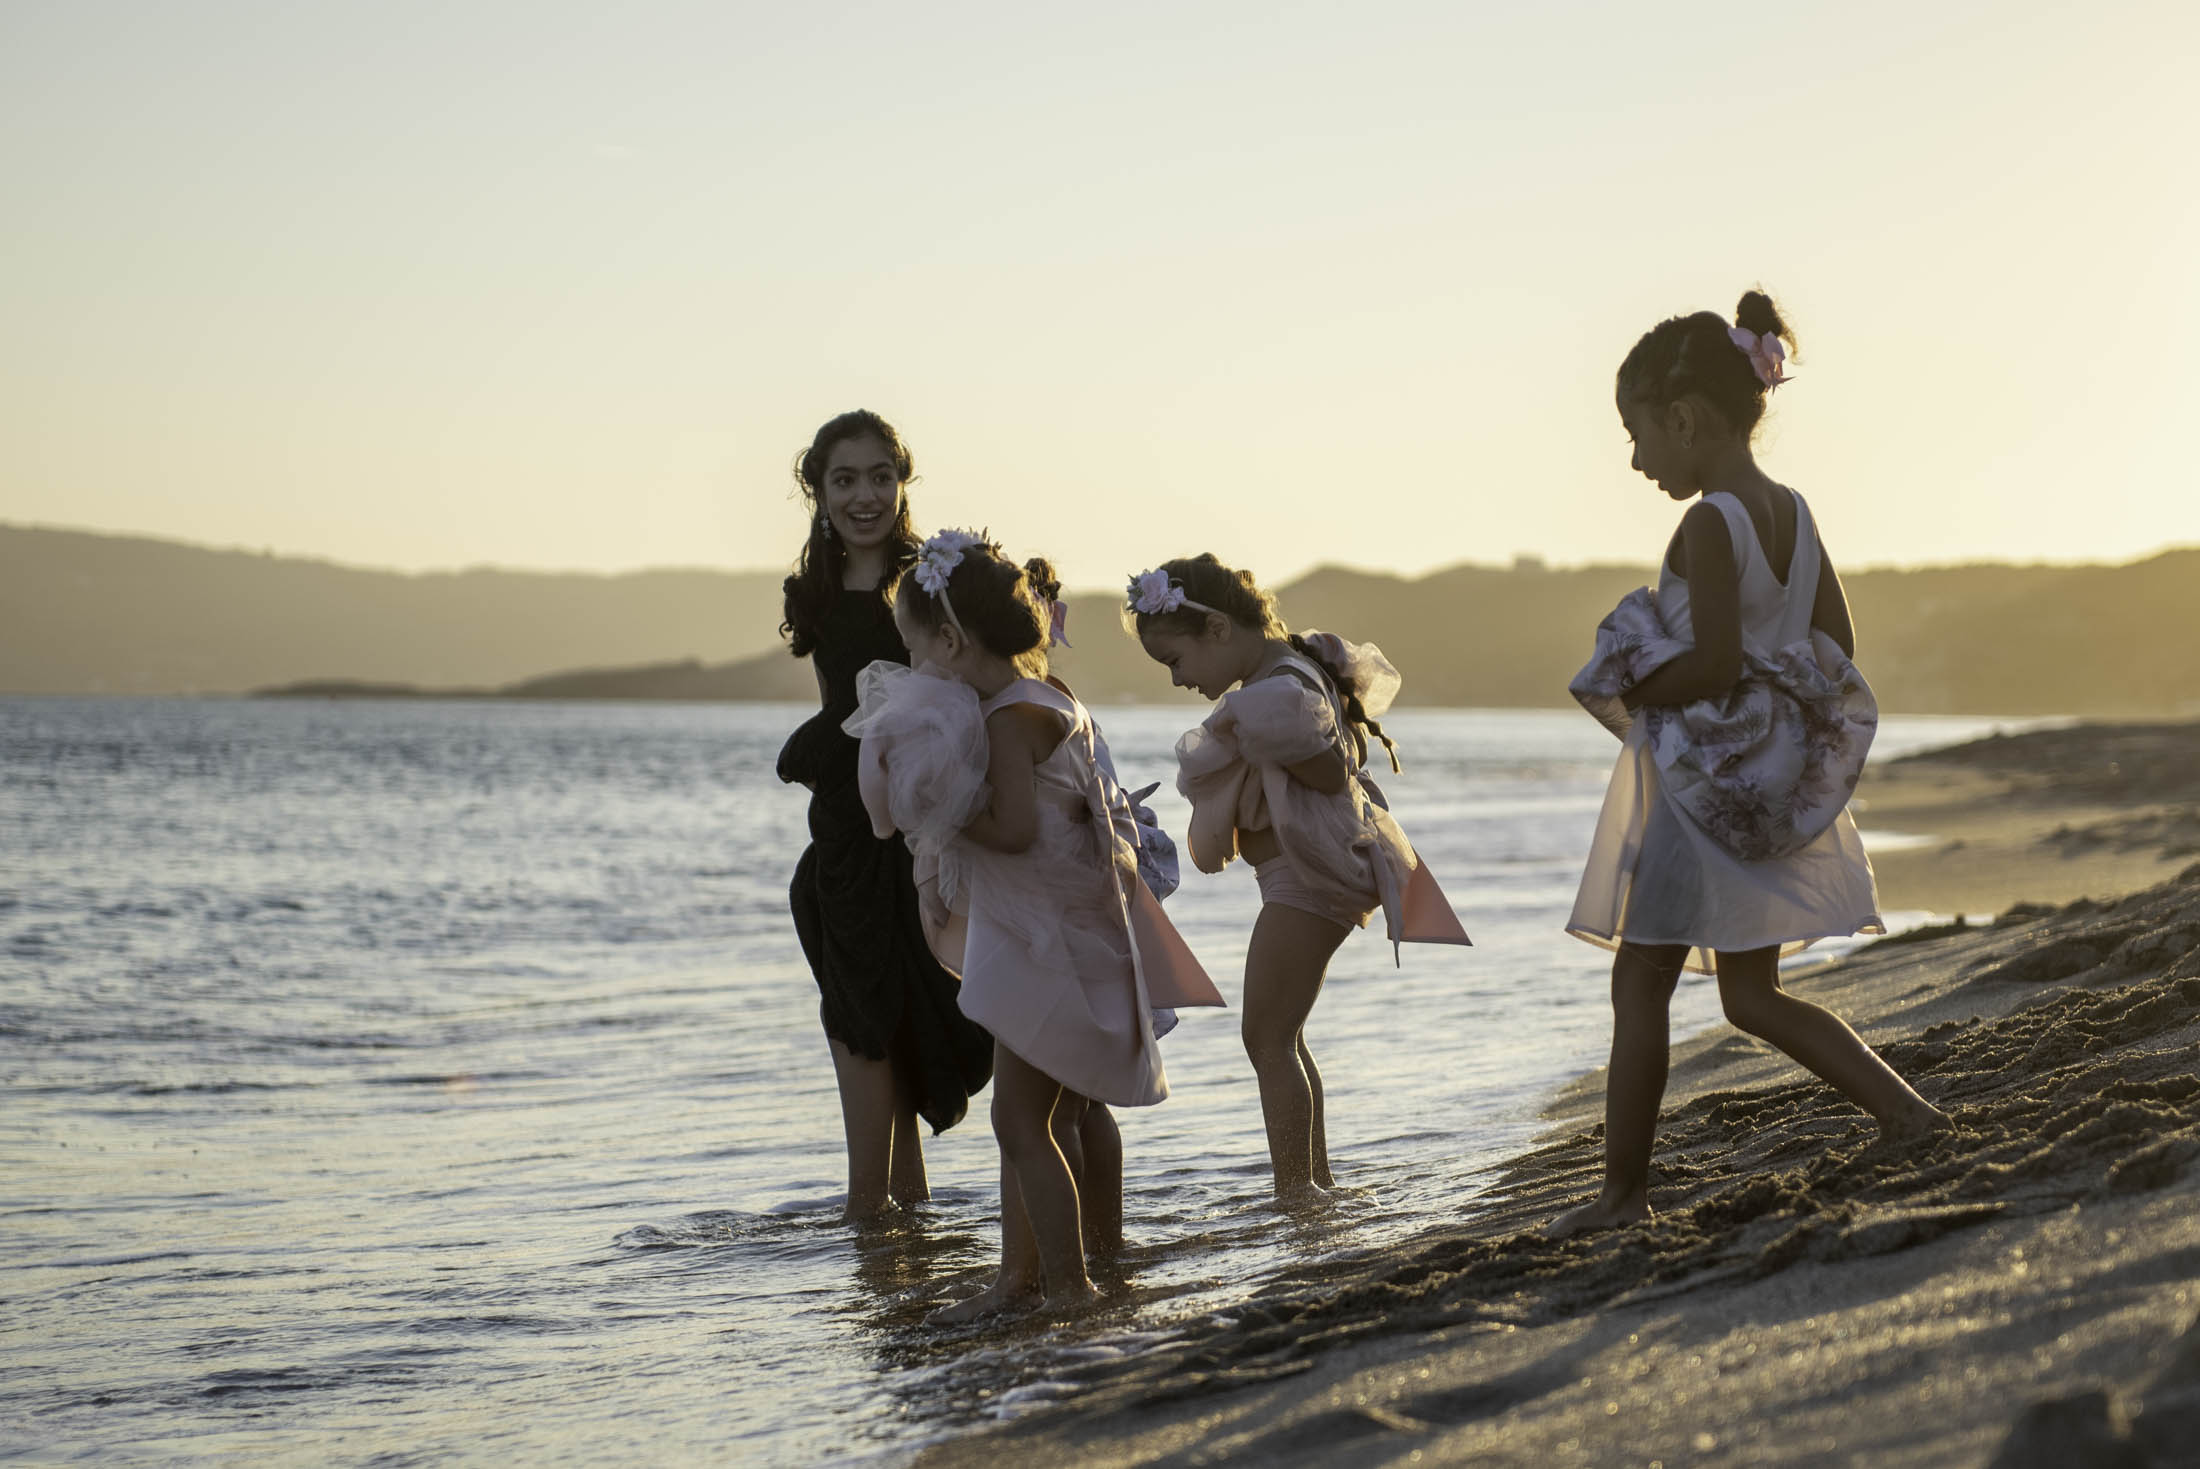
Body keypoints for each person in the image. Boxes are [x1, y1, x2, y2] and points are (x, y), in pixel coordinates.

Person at [1549, 291, 1949, 1238]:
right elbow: (1835, 640)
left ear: (1684, 418)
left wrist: (1641, 678)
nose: (1638, 459)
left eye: (1638, 434)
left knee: (1639, 983)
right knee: (1752, 994)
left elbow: (1719, 662)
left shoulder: (1707, 526)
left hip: (1697, 796)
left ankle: (1622, 1196)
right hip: (1760, 787)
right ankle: (1906, 1110)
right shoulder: (1794, 514)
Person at [847, 529, 1221, 1319]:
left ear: (950, 642)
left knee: (1020, 1119)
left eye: (915, 650)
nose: (914, 668)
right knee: (1040, 1116)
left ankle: (1068, 1286)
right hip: (1061, 929)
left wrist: (938, 808)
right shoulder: (1048, 698)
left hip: (1051, 942)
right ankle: (1024, 1279)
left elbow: (1014, 828)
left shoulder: (1015, 719)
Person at [1129, 555, 1468, 1203]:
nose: (1177, 679)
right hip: (1303, 876)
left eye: (1175, 660)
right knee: (1282, 1032)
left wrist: (1254, 734)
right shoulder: (1279, 679)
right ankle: (1315, 1181)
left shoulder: (1277, 693)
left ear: (1218, 630)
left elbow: (1328, 772)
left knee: (1266, 1034)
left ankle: (1297, 1190)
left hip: (1310, 878)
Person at [774, 412, 992, 1223]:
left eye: (878, 476)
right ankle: (903, 1217)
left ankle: (870, 1219)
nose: (863, 495)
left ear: (902, 481)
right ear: (818, 490)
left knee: (883, 1016)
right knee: (867, 1014)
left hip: (920, 831)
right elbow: (847, 708)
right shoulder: (816, 592)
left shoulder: (934, 580)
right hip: (845, 832)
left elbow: (970, 688)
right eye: (843, 479)